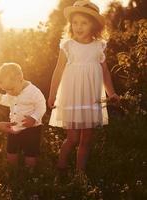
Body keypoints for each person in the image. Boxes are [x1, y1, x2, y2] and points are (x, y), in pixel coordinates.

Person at [48, 1, 120, 174]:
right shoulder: (68, 46)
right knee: (72, 138)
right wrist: (52, 95)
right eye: (75, 22)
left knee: (86, 140)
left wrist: (111, 93)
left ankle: (80, 173)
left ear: (93, 25)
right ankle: (61, 167)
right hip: (72, 97)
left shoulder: (98, 46)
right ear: (70, 24)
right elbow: (58, 71)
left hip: (91, 97)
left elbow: (105, 72)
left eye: (84, 23)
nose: (78, 27)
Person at [0, 63, 46, 167]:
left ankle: (30, 173)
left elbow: (41, 106)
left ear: (20, 79)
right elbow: (5, 100)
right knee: (11, 151)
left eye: (11, 89)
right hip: (14, 126)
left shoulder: (33, 92)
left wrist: (34, 118)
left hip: (32, 128)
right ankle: (12, 169)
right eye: (6, 90)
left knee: (30, 152)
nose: (9, 93)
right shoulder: (12, 91)